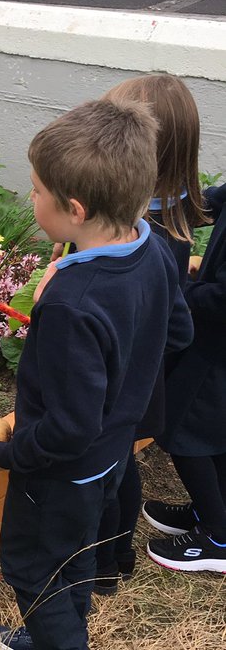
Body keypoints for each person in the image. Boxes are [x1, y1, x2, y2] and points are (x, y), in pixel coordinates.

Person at [0, 99, 193, 650]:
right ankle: (53, 635)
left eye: (37, 190)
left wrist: (3, 456)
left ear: (75, 210)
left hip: (63, 470)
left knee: (32, 563)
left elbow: (68, 428)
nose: (30, 198)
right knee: (73, 553)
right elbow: (178, 332)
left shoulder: (71, 302)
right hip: (113, 451)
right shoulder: (150, 244)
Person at [91, 75, 209, 592]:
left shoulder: (143, 237)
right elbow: (176, 325)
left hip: (123, 377)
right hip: (142, 373)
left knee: (109, 470)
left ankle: (106, 563)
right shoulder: (167, 217)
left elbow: (166, 324)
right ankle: (115, 555)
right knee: (119, 463)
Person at [144, 173, 226, 574]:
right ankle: (212, 509)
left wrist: (182, 289)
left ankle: (218, 536)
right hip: (213, 341)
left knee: (183, 432)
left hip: (217, 346)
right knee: (216, 432)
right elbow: (208, 202)